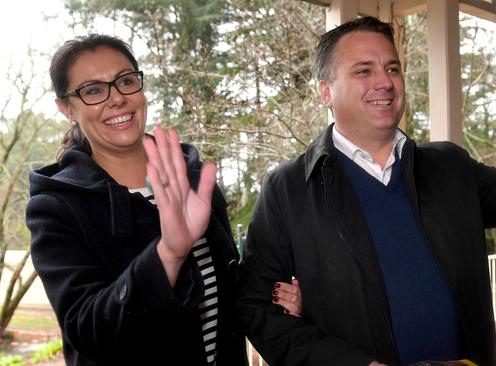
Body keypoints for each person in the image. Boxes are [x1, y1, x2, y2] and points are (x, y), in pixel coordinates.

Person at [237, 11, 496, 366]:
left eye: (392, 68)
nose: (385, 82)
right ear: (325, 92)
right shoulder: (288, 190)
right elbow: (257, 308)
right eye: (364, 70)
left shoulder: (449, 167)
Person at [25, 34, 301, 365]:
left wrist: (275, 299)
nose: (116, 99)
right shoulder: (58, 206)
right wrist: (169, 254)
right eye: (93, 90)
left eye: (125, 81)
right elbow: (88, 331)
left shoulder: (193, 180)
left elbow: (223, 294)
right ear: (67, 108)